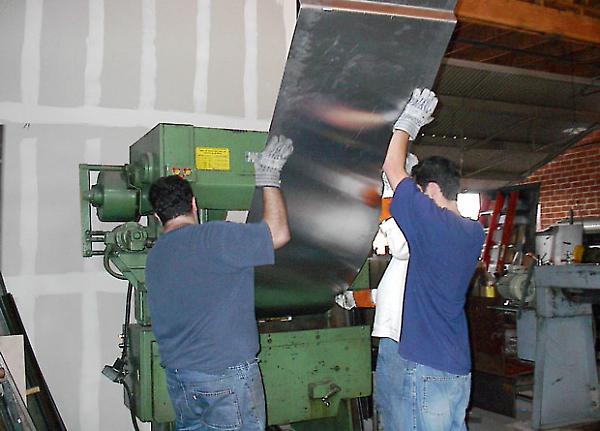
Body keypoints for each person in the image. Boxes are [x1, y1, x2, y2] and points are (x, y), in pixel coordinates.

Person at [145, 135, 293, 431]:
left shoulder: (156, 256)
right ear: (194, 204)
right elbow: (278, 234)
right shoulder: (214, 238)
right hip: (225, 378)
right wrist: (269, 178)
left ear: (156, 214)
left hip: (181, 379)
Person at [376, 88, 485, 431]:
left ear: (433, 189)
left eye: (422, 193)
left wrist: (407, 124)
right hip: (456, 366)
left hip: (425, 363)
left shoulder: (432, 223)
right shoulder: (473, 231)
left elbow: (391, 166)